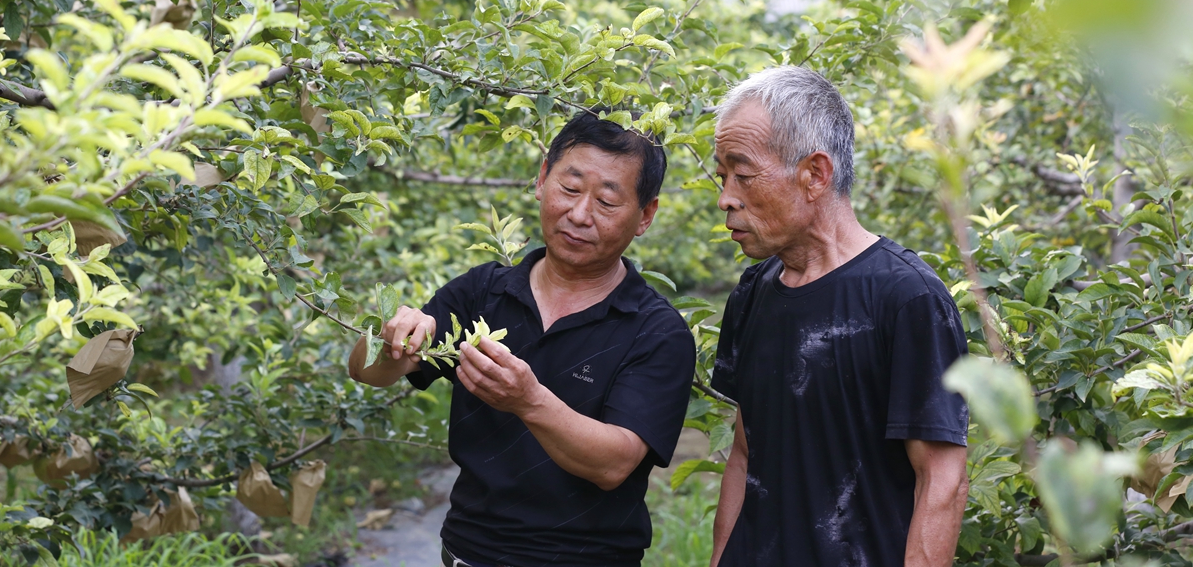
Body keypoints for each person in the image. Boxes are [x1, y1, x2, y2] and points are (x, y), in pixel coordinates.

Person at [349, 111, 695, 567]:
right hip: (468, 553)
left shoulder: (657, 331)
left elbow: (614, 464)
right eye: (569, 189)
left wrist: (528, 400)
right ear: (542, 180)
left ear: (645, 215)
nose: (578, 214)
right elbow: (366, 370)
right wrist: (392, 335)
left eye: (607, 203)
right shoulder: (483, 293)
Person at [709, 66, 970, 567]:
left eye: (742, 174)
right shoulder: (753, 292)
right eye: (723, 177)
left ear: (815, 174)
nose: (725, 198)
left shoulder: (907, 298)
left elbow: (942, 481)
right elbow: (745, 453)